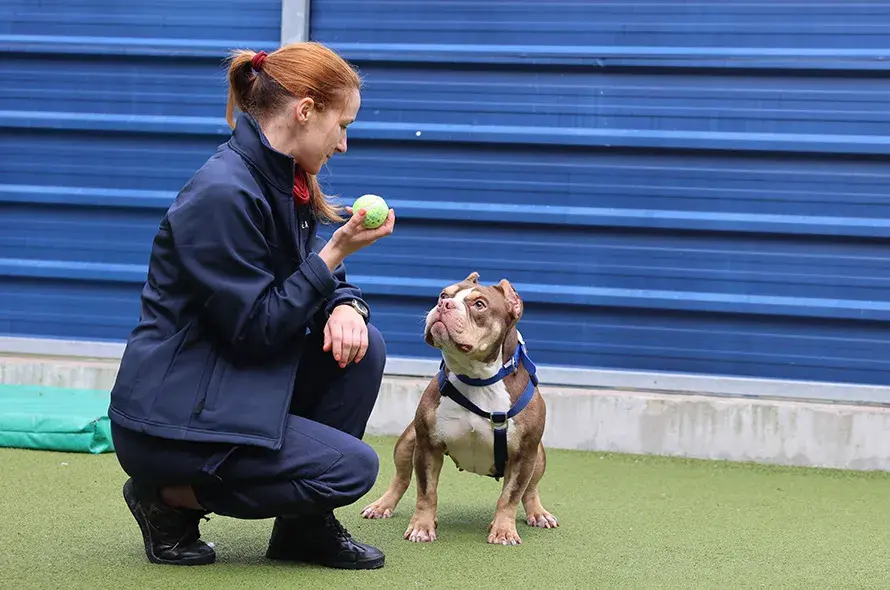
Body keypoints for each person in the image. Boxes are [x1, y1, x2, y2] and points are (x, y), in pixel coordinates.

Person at [106, 41, 396, 570]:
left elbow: (312, 273)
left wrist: (346, 306)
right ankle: (166, 498)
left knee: (363, 348)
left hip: (230, 385)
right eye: (342, 125)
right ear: (305, 110)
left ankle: (303, 532)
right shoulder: (222, 193)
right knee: (350, 469)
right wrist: (335, 252)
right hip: (172, 421)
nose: (344, 144)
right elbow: (257, 329)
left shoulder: (281, 179)